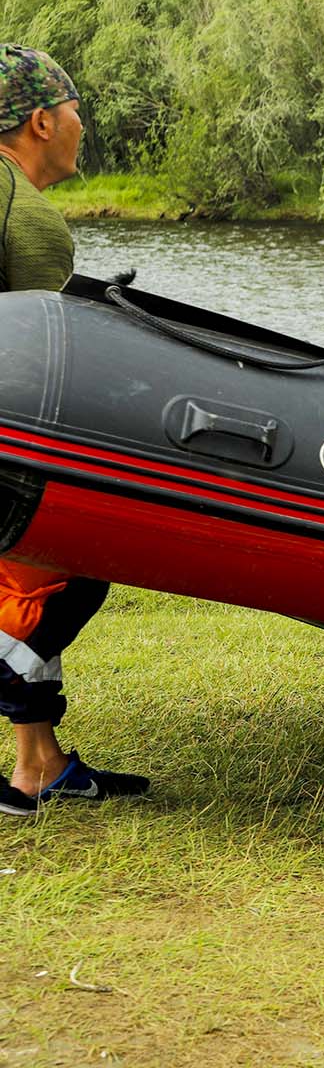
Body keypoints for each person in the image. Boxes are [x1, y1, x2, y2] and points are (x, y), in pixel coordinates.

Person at [0, 45, 150, 817]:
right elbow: (37, 372)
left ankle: (40, 766)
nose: (81, 126)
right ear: (40, 121)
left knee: (28, 580)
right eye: (74, 111)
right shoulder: (27, 220)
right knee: (74, 567)